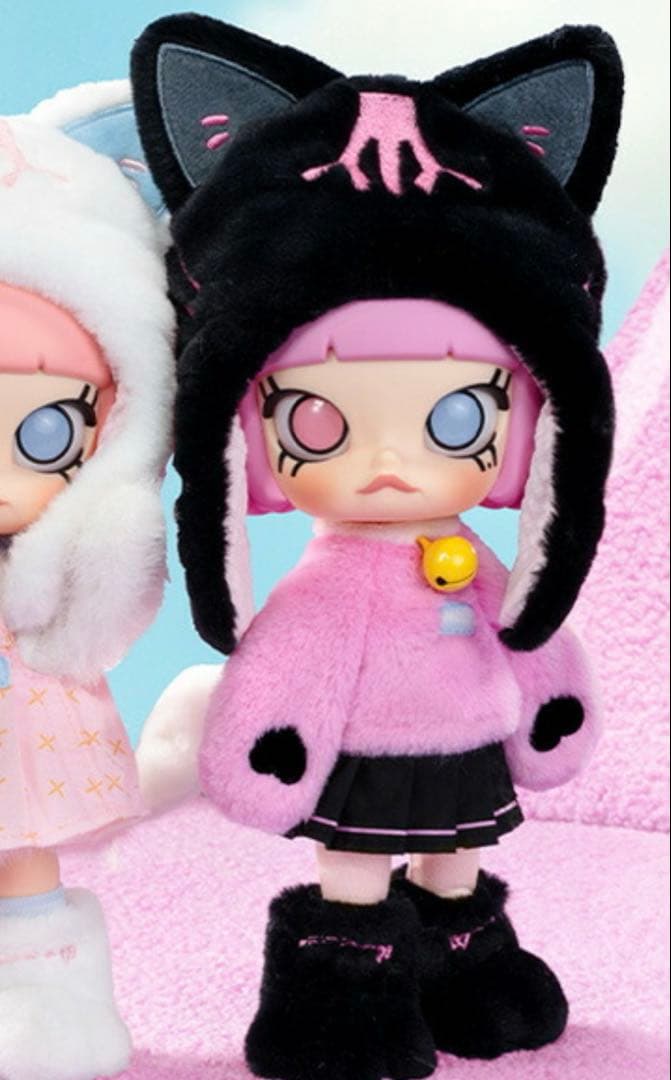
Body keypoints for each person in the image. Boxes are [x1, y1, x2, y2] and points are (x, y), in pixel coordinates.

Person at [131, 16, 623, 1080]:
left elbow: (522, 633)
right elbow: (287, 666)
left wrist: (550, 705)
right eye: (320, 421)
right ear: (247, 431)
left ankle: (464, 966)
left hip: (463, 741)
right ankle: (338, 988)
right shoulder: (328, 586)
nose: (392, 463)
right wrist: (263, 749)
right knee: (351, 867)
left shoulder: (475, 561)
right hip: (364, 754)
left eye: (456, 419)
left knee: (460, 858)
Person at [0, 82, 174, 1080]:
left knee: (25, 849)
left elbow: (105, 621)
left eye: (44, 432)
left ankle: (43, 994)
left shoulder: (71, 552)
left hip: (29, 723)